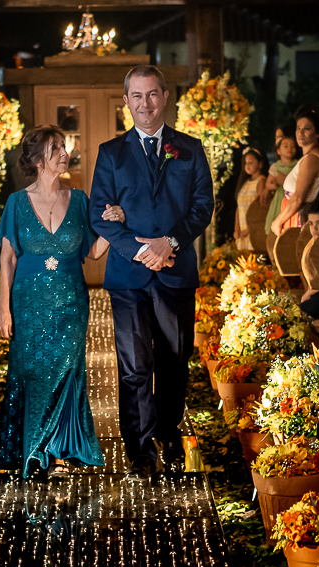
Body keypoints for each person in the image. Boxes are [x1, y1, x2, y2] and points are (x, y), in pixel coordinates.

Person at [89, 65, 214, 479]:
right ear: (126, 102)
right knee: (134, 364)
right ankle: (140, 447)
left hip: (176, 271)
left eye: (152, 95)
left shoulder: (191, 149)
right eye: (137, 96)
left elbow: (202, 208)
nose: (145, 104)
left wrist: (170, 243)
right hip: (128, 276)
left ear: (165, 96)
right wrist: (141, 249)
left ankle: (167, 429)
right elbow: (100, 214)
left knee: (175, 360)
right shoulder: (111, 153)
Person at [0, 126, 113, 478]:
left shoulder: (81, 200)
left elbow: (94, 252)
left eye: (64, 146)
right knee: (31, 372)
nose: (64, 152)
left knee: (67, 372)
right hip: (28, 303)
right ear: (38, 159)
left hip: (71, 303)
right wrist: (3, 308)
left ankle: (60, 448)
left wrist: (113, 227)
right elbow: (7, 260)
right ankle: (33, 449)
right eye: (55, 148)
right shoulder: (16, 203)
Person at [270, 109, 319, 237]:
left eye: (307, 128)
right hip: (293, 215)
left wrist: (277, 221)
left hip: (299, 217)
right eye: (298, 128)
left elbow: (298, 198)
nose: (300, 133)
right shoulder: (308, 157)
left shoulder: (311, 159)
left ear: (317, 133)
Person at [233, 147, 267, 250]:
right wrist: (237, 230)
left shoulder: (261, 181)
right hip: (242, 234)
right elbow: (239, 208)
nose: (247, 166)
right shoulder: (245, 183)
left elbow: (260, 209)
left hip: (253, 232)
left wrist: (248, 230)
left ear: (260, 164)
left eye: (251, 162)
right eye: (246, 163)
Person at [263, 134, 298, 233]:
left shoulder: (298, 164)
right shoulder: (275, 166)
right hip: (279, 197)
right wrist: (274, 186)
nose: (289, 148)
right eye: (285, 146)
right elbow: (267, 184)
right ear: (279, 151)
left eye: (292, 146)